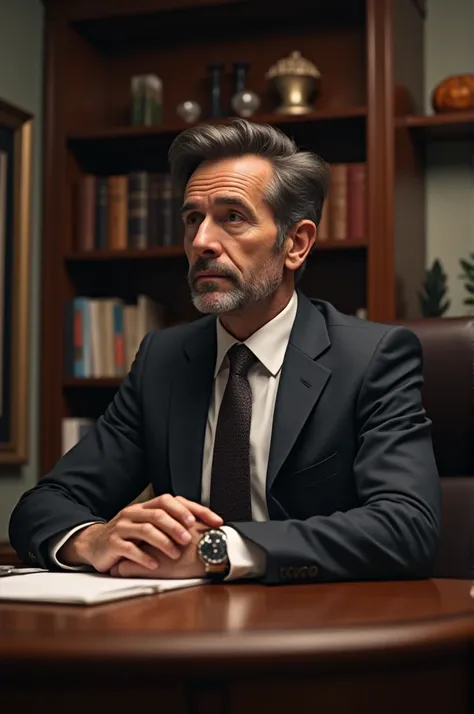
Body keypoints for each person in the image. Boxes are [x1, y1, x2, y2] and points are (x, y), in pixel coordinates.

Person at [9, 119, 441, 585]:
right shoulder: (164, 359)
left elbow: (408, 526)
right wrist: (92, 539)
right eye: (192, 218)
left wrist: (220, 550)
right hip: (183, 629)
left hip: (318, 630)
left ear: (295, 244)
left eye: (232, 217)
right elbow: (42, 505)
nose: (201, 243)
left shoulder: (372, 357)